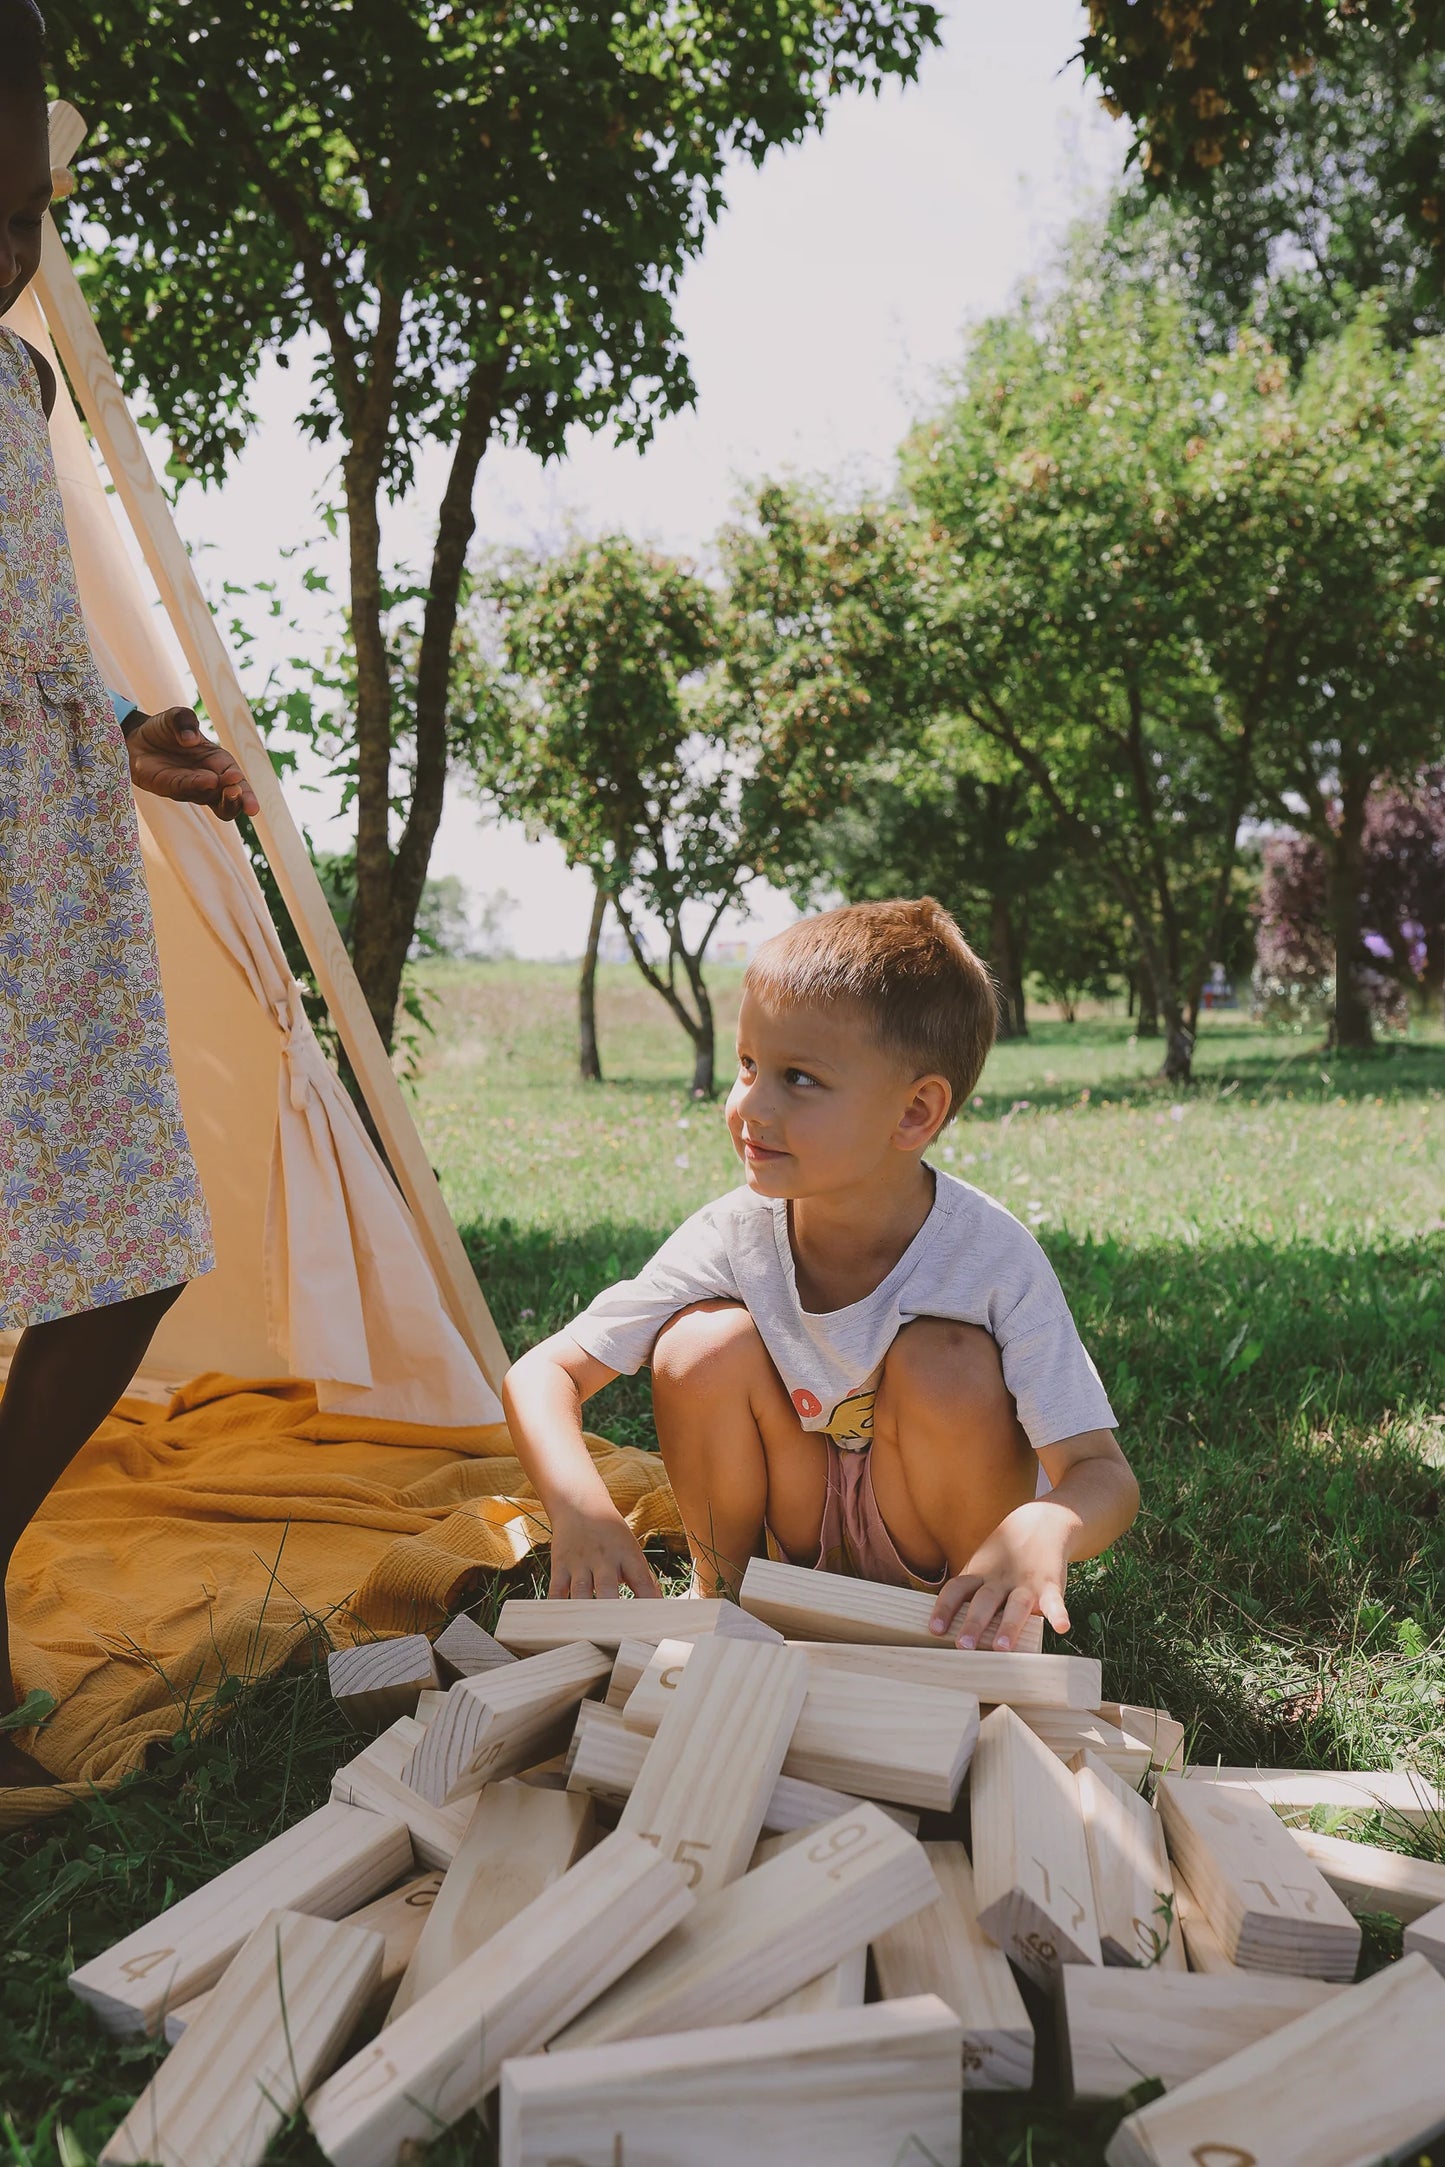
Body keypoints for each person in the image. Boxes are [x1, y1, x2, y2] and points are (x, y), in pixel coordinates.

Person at [504, 897, 1140, 1652]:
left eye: (797, 1078)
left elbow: (1102, 1474)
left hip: (938, 1561)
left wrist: (1049, 1522)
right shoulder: (733, 1232)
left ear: (914, 1112)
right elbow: (543, 1372)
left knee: (948, 1359)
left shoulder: (989, 1257)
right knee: (698, 1345)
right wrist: (580, 1505)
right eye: (748, 1064)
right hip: (793, 1539)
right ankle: (726, 1605)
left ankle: (971, 1629)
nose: (750, 1106)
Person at [0, 0, 259, 1786]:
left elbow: (27, 627)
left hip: (51, 845)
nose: (9, 243)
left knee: (126, 1240)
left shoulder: (16, 379)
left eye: (21, 207)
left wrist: (120, 729)